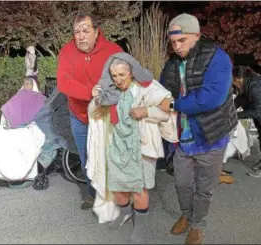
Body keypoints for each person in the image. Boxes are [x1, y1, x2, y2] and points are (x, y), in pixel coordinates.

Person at [160, 13, 238, 244]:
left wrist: (174, 104)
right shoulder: (172, 63)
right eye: (173, 42)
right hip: (183, 137)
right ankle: (186, 214)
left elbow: (212, 97)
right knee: (182, 182)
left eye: (181, 40)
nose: (177, 46)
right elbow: (163, 89)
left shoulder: (218, 57)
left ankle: (197, 224)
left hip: (212, 135)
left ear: (196, 35)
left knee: (204, 187)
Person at [87, 52, 176, 243]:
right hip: (117, 146)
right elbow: (94, 114)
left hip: (141, 146)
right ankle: (125, 213)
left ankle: (141, 225)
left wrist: (146, 111)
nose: (118, 80)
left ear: (132, 73)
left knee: (140, 190)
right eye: (114, 75)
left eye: (122, 75)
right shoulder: (109, 91)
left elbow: (167, 110)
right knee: (118, 189)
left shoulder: (147, 87)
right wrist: (95, 99)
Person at [57, 12, 123, 210]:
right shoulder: (67, 52)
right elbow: (63, 82)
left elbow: (125, 80)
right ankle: (93, 194)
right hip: (79, 115)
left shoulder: (113, 51)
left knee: (108, 158)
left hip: (104, 116)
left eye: (85, 30)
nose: (81, 36)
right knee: (87, 158)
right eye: (77, 32)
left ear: (96, 31)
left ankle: (112, 196)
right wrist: (89, 92)